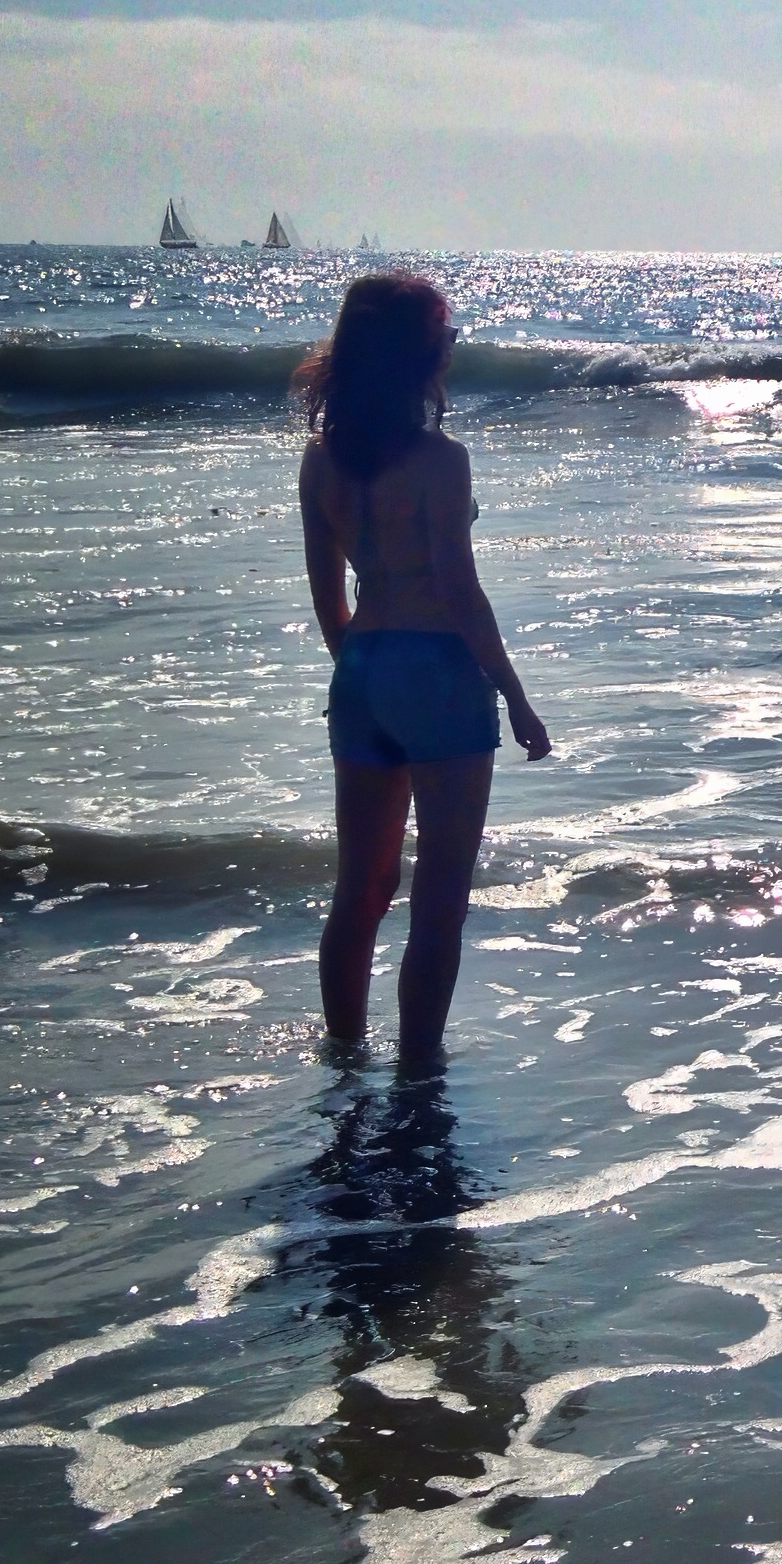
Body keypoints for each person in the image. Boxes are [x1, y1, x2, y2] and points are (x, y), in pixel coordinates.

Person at [295, 274, 551, 1067]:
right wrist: (514, 695)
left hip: (363, 668)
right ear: (420, 355)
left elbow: (326, 598)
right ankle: (417, 1073)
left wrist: (366, 675)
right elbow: (458, 591)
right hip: (438, 670)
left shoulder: (320, 463)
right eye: (446, 336)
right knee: (439, 897)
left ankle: (342, 1058)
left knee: (361, 890)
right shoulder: (442, 461)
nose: (452, 347)